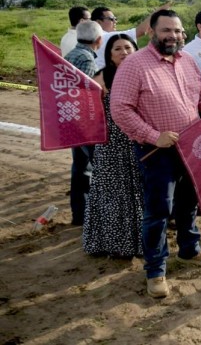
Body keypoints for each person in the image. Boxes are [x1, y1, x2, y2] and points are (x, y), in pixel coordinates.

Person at [111, 9, 201, 299]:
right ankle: (155, 270)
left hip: (191, 147)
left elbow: (199, 94)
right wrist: (154, 136)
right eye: (166, 30)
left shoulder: (187, 60)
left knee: (189, 203)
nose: (172, 36)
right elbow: (120, 109)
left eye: (177, 31)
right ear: (151, 32)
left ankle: (190, 250)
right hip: (157, 152)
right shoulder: (134, 65)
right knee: (158, 211)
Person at [82, 34, 143, 258]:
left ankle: (140, 242)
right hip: (110, 145)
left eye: (128, 47)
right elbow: (87, 110)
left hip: (139, 141)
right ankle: (115, 245)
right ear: (109, 54)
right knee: (111, 194)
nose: (124, 52)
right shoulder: (102, 77)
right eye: (118, 49)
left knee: (139, 191)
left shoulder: (144, 75)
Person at [63, 20, 103, 225]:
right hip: (84, 123)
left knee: (79, 168)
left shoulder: (72, 54)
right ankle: (93, 215)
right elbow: (86, 95)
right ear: (99, 40)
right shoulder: (87, 58)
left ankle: (79, 214)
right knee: (96, 168)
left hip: (73, 120)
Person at [91, 5, 166, 70]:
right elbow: (141, 31)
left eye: (115, 19)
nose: (115, 21)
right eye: (111, 19)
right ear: (98, 22)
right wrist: (158, 13)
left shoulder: (91, 37)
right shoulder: (105, 36)